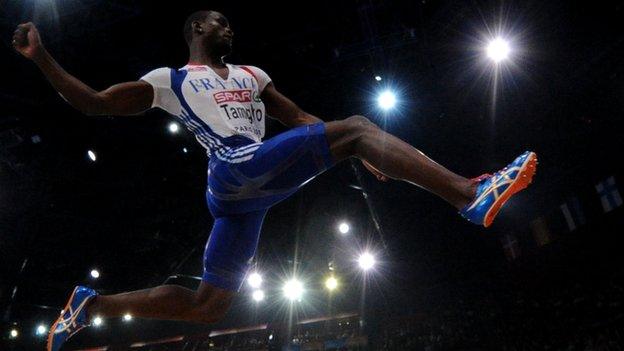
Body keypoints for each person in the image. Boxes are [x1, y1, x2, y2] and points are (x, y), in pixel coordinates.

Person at [12, 10, 537, 351]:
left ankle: (91, 304)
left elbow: (304, 121)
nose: (229, 27)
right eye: (219, 22)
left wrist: (366, 150)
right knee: (354, 126)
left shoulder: (252, 75)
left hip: (246, 201)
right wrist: (42, 58)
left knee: (209, 306)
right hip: (232, 169)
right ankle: (471, 194)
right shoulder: (168, 81)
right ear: (196, 29)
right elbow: (94, 102)